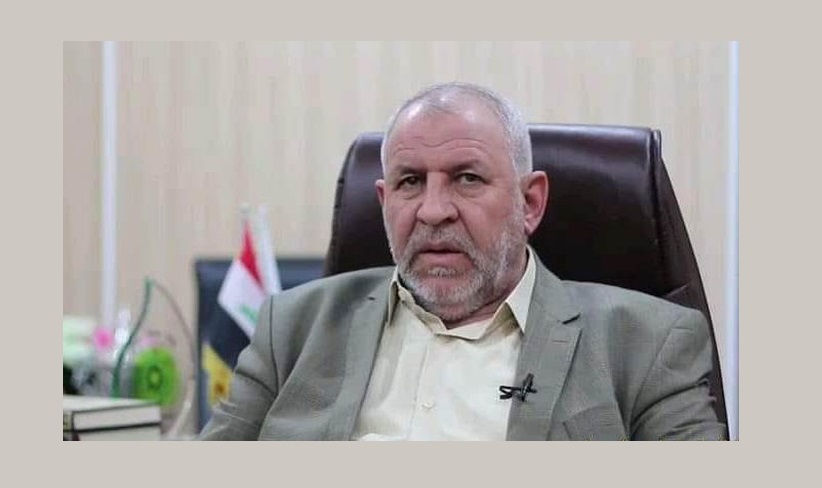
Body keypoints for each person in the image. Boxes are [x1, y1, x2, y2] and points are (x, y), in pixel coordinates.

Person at [199, 82, 726, 441]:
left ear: (530, 203)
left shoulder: (645, 342)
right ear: (383, 203)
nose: (433, 211)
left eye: (467, 178)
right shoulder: (292, 328)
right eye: (410, 182)